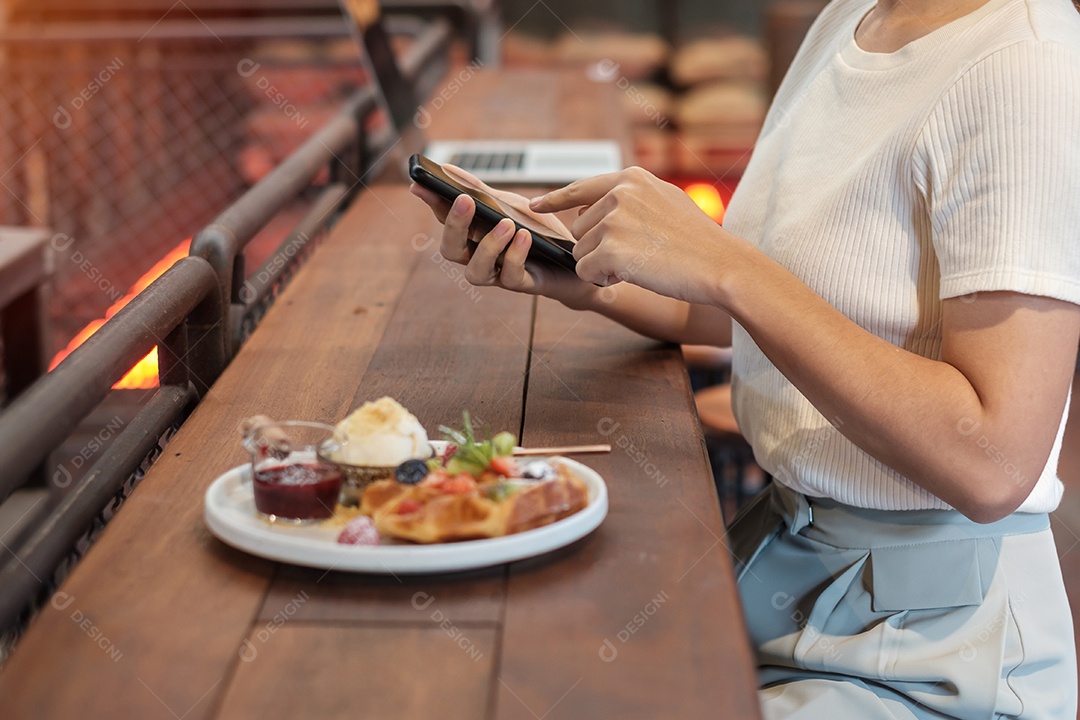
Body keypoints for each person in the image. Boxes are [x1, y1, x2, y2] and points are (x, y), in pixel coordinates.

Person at [410, 0, 1080, 715]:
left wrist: (727, 263)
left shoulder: (1021, 68)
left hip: (928, 650)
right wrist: (579, 273)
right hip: (789, 564)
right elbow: (774, 316)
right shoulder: (851, 19)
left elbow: (995, 463)